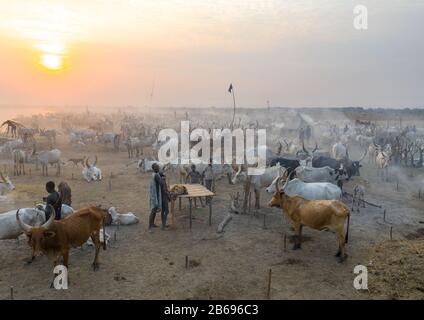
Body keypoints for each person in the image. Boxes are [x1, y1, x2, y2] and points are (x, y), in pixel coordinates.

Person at [149, 163, 170, 230]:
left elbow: (161, 174)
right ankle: (150, 227)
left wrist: (162, 174)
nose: (158, 168)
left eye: (158, 167)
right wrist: (163, 178)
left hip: (156, 195)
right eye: (157, 167)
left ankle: (153, 224)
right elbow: (161, 183)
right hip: (158, 196)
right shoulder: (156, 175)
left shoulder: (155, 174)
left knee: (157, 210)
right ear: (154, 168)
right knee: (159, 210)